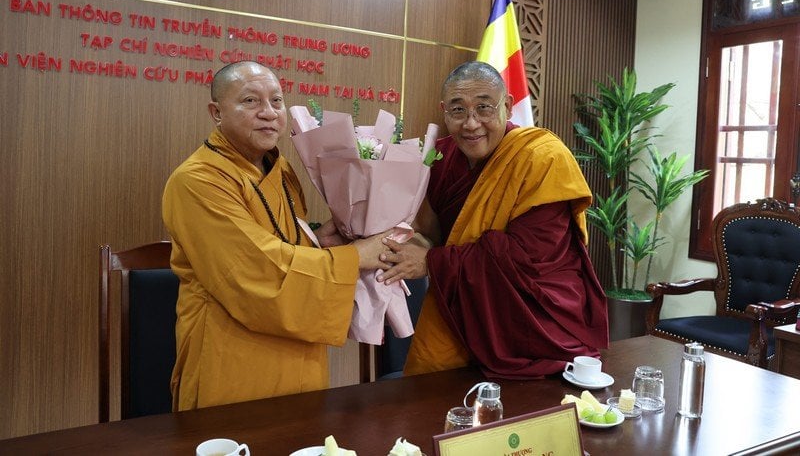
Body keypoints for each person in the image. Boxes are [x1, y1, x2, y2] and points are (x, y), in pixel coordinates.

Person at [162, 61, 388, 411]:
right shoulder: (196, 181)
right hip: (234, 360)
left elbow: (281, 239)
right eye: (251, 101)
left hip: (300, 350)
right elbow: (254, 271)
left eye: (277, 101)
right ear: (216, 112)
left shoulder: (279, 167)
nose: (269, 113)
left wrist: (318, 239)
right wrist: (356, 256)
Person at [378, 61, 609, 379]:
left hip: (531, 324)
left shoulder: (541, 159)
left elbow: (525, 257)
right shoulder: (438, 160)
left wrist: (433, 261)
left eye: (484, 108)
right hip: (462, 312)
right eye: (458, 111)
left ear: (509, 106)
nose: (471, 124)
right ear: (444, 112)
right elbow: (424, 231)